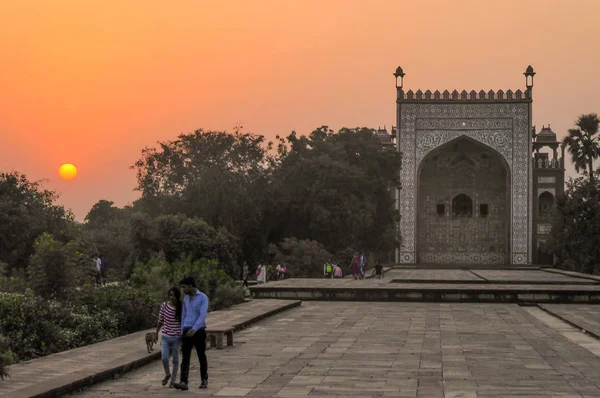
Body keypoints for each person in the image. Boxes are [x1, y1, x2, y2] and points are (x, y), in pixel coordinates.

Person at [173, 276, 209, 391]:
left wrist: (195, 328)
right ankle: (184, 381)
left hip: (198, 330)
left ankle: (204, 379)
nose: (183, 290)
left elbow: (202, 315)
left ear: (190, 286)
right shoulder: (186, 299)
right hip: (186, 329)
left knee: (201, 355)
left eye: (184, 287)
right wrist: (182, 329)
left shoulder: (203, 297)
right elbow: (184, 315)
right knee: (185, 357)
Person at [155, 287, 183, 388]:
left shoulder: (181, 307)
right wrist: (156, 332)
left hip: (177, 337)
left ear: (177, 296)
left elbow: (183, 322)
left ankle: (173, 381)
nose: (172, 297)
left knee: (175, 360)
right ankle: (167, 374)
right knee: (164, 358)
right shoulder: (164, 306)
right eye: (170, 295)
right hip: (166, 336)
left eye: (174, 296)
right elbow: (160, 320)